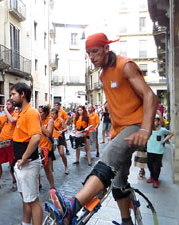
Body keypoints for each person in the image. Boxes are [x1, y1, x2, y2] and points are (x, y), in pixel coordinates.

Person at [48, 33, 157, 225]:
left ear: (107, 48)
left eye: (95, 51)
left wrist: (146, 130)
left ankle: (73, 206)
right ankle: (126, 221)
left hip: (136, 125)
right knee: (118, 182)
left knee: (107, 159)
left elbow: (150, 96)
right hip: (120, 131)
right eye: (88, 53)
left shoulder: (126, 65)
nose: (91, 56)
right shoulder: (103, 74)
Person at [10, 82, 43, 225]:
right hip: (21, 163)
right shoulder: (21, 113)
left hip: (27, 164)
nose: (11, 98)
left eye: (13, 94)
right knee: (26, 198)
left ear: (22, 94)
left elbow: (36, 137)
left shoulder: (31, 113)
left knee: (33, 201)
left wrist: (24, 158)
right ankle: (25, 223)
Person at [0, 99, 18, 193]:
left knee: (12, 164)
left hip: (11, 143)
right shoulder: (3, 116)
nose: (6, 105)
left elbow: (13, 121)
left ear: (13, 106)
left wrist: (5, 109)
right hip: (2, 143)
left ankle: (15, 181)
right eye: (6, 104)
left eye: (8, 104)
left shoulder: (16, 115)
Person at [146, 114, 173, 188]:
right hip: (150, 150)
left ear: (158, 121)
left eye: (155, 120)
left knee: (157, 166)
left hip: (158, 151)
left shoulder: (162, 130)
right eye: (153, 120)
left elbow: (171, 134)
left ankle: (155, 179)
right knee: (149, 165)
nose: (154, 122)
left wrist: (164, 140)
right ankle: (152, 176)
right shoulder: (149, 129)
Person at [38, 105, 55, 189]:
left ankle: (52, 186)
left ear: (45, 113)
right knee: (36, 168)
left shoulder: (50, 120)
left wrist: (40, 125)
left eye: (40, 112)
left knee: (46, 168)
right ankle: (38, 184)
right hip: (37, 146)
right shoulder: (37, 120)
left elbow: (49, 133)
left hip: (46, 147)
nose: (39, 114)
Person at [51, 108, 69, 174]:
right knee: (51, 154)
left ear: (56, 114)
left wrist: (61, 131)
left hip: (59, 137)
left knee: (61, 153)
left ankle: (66, 167)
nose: (52, 115)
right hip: (52, 138)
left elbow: (66, 128)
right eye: (51, 113)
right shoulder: (50, 120)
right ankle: (51, 169)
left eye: (53, 114)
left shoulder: (60, 120)